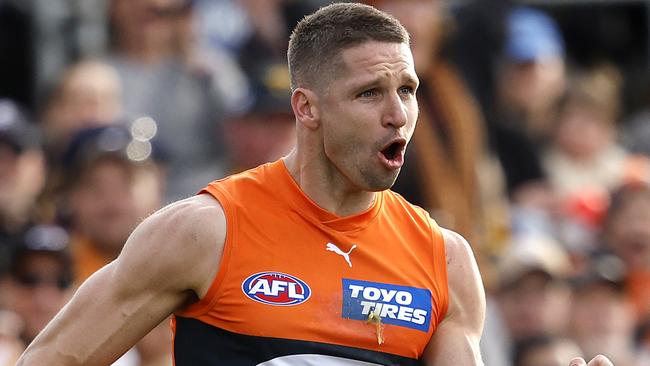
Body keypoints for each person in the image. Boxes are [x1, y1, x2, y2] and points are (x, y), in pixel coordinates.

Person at [16, 3, 611, 366]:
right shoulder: (206, 230)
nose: (398, 114)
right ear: (306, 107)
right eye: (369, 93)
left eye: (407, 90)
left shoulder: (443, 259)